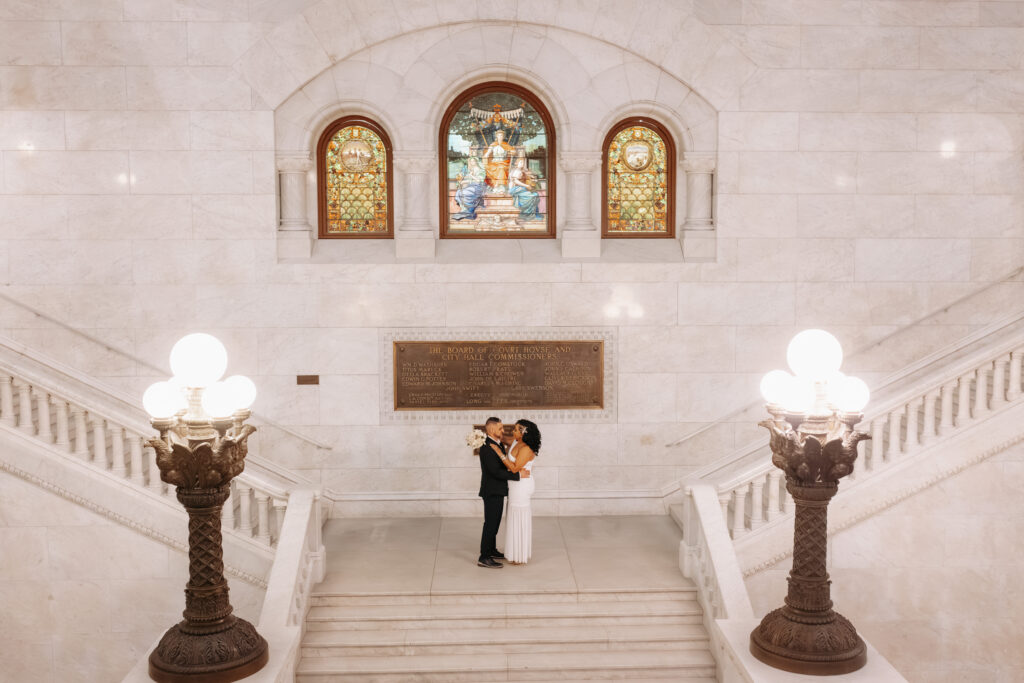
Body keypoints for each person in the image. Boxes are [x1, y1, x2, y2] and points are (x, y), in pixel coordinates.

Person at [490, 419, 540, 565]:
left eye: (516, 429)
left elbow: (514, 468)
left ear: (524, 433)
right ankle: (513, 551)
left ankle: (520, 555)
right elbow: (501, 438)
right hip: (514, 485)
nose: (513, 431)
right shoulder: (516, 441)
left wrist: (500, 453)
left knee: (519, 516)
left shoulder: (526, 448)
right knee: (512, 515)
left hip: (522, 486)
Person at [477, 416, 520, 568]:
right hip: (492, 490)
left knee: (494, 523)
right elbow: (495, 472)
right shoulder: (488, 447)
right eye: (500, 428)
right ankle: (484, 556)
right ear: (492, 429)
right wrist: (517, 475)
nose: (503, 431)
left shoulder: (496, 443)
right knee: (490, 524)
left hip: (497, 490)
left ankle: (492, 550)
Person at [452, 156, 486, 221]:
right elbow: (469, 179)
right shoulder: (471, 169)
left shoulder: (481, 170)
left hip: (478, 187)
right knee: (459, 192)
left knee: (465, 192)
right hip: (471, 185)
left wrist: (471, 176)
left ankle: (469, 211)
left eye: (473, 161)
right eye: (471, 161)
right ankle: (464, 210)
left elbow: (479, 181)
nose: (472, 162)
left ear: (476, 161)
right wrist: (462, 180)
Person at [482, 129, 515, 193]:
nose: (500, 137)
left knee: (501, 168)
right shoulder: (493, 144)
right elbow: (488, 153)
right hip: (494, 162)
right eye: (499, 135)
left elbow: (513, 151)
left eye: (501, 135)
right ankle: (493, 186)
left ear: (503, 137)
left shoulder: (506, 144)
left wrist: (512, 151)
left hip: (503, 162)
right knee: (487, 168)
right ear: (496, 136)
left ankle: (500, 187)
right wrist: (485, 156)